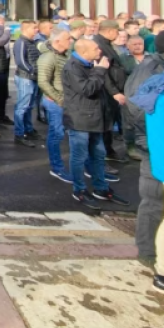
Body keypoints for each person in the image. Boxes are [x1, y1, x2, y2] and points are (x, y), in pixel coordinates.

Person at [62, 39, 130, 210]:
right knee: (79, 156)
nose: (99, 50)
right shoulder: (73, 67)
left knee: (98, 154)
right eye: (95, 48)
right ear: (84, 52)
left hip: (95, 118)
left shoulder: (90, 63)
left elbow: (102, 84)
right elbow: (88, 89)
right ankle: (79, 189)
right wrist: (100, 70)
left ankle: (100, 187)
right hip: (80, 119)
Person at [125, 32, 164, 262]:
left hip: (152, 143)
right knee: (153, 202)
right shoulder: (152, 71)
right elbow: (137, 108)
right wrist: (149, 139)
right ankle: (149, 254)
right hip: (154, 147)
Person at [37, 29, 73, 183]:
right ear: (57, 41)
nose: (71, 41)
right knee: (56, 134)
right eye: (68, 39)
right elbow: (43, 82)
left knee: (72, 135)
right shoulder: (48, 57)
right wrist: (58, 98)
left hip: (67, 100)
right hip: (56, 102)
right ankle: (57, 168)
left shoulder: (64, 55)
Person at [93, 20, 129, 163]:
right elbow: (104, 72)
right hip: (107, 92)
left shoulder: (105, 44)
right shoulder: (100, 46)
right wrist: (114, 92)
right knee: (106, 123)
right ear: (109, 31)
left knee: (109, 121)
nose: (118, 34)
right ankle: (104, 153)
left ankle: (107, 150)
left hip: (112, 90)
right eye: (116, 31)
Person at [12, 20, 41, 147]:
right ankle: (19, 133)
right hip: (26, 78)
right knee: (22, 106)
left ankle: (28, 129)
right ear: (26, 29)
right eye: (34, 28)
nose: (37, 30)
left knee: (29, 106)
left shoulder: (32, 42)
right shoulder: (21, 42)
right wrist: (32, 71)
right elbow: (21, 62)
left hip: (32, 78)